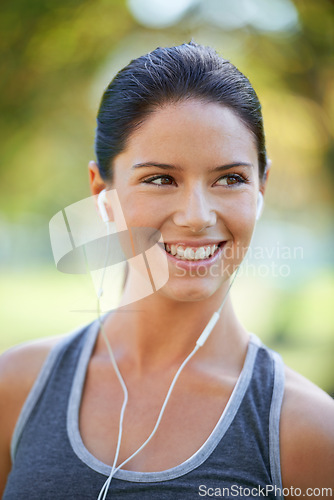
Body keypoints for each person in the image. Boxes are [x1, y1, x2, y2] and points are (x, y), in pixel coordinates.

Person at [0, 42, 333, 500]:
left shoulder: (308, 431)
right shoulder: (15, 390)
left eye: (230, 178)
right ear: (102, 191)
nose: (197, 215)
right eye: (160, 179)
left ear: (261, 188)